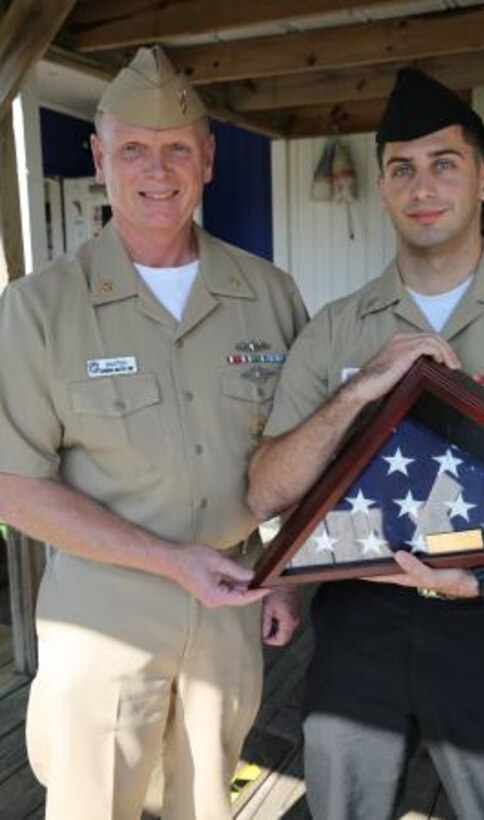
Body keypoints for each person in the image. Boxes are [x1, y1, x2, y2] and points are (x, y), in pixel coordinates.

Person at [0, 46, 307, 820]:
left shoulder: (268, 294)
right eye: (133, 149)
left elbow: (305, 453)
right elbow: (13, 484)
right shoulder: (39, 309)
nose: (157, 169)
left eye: (176, 149)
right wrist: (168, 560)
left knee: (207, 803)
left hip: (232, 606)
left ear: (207, 159)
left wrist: (289, 571)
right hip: (102, 615)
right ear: (100, 160)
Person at [247, 67, 484, 819]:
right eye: (401, 169)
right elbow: (266, 491)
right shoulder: (336, 329)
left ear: (483, 178)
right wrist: (358, 389)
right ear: (381, 188)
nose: (423, 187)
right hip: (359, 624)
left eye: (444, 164)